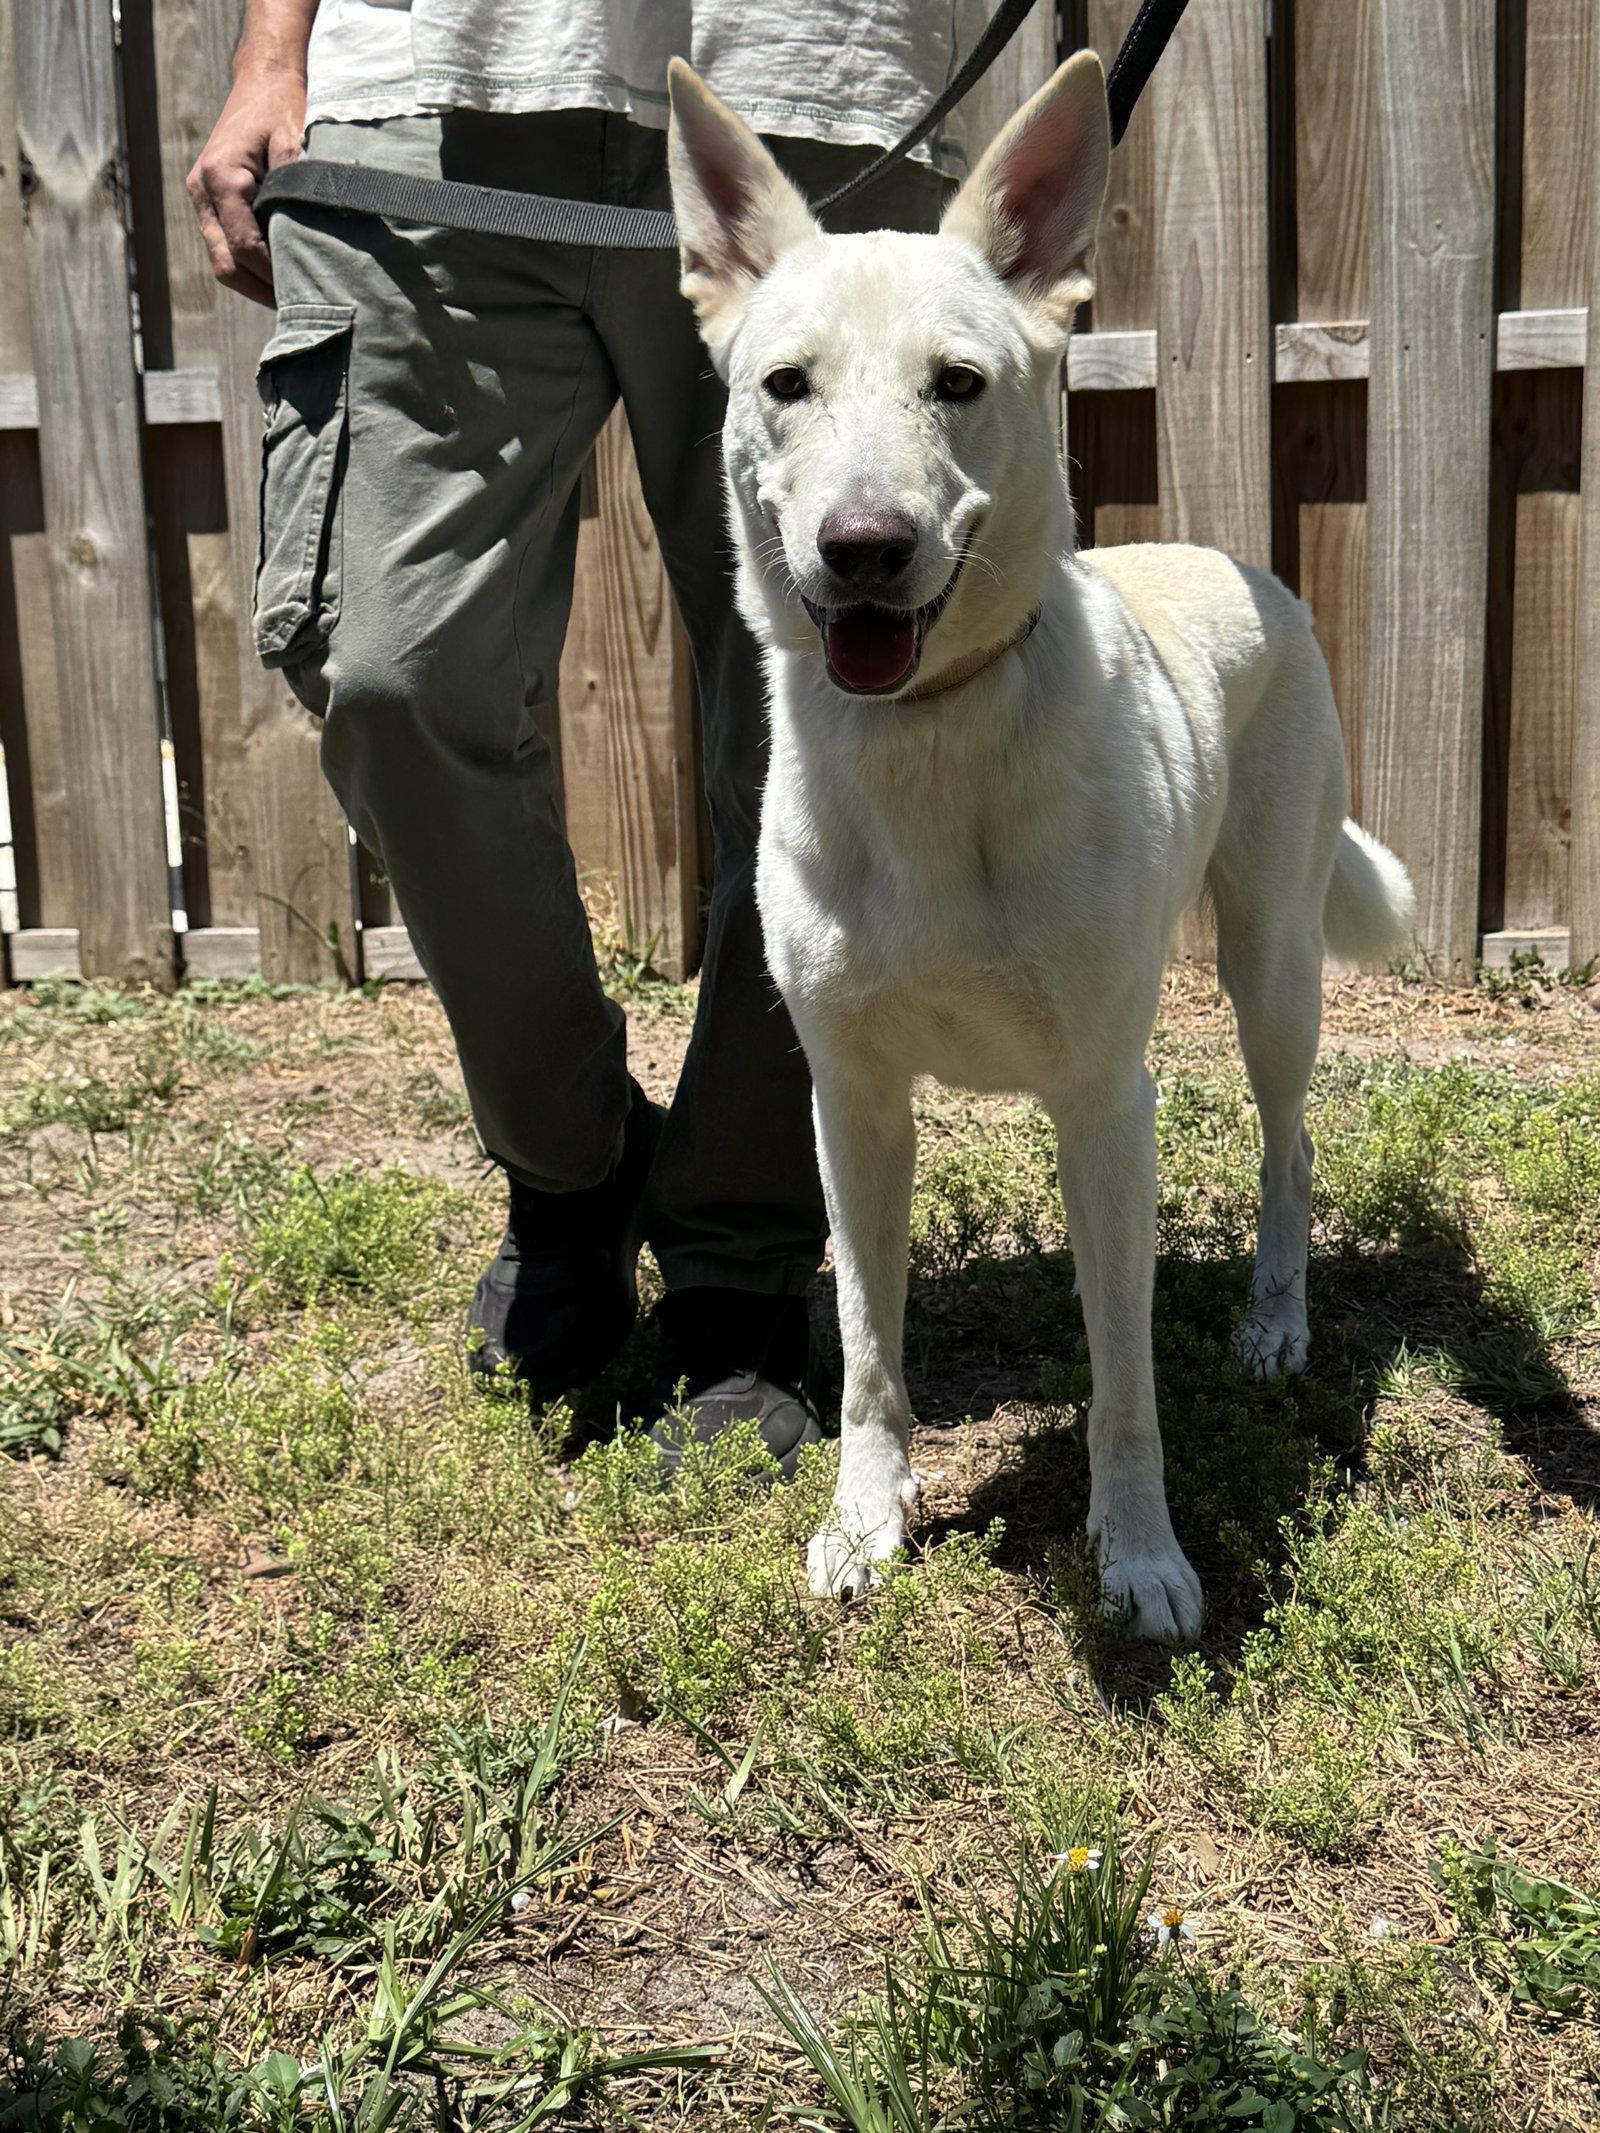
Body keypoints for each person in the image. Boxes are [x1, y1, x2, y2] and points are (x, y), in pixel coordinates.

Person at [188, 0, 978, 1470]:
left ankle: (744, 1257)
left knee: (827, 715)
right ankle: (577, 1168)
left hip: (813, 77)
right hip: (430, 88)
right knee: (392, 671)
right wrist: (269, 52)